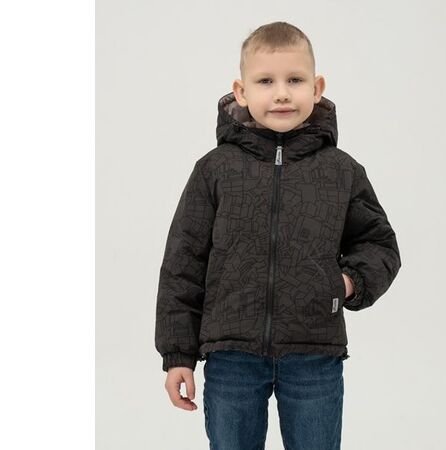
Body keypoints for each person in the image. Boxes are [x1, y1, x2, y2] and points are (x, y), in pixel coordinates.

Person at [155, 21, 401, 450]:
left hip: (314, 354)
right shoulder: (215, 169)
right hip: (231, 355)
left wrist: (348, 282)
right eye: (266, 81)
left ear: (317, 88)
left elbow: (379, 244)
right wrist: (178, 355)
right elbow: (183, 262)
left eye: (295, 80)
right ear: (241, 91)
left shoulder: (341, 171)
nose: (282, 93)